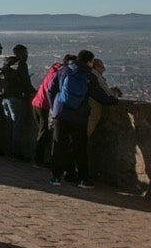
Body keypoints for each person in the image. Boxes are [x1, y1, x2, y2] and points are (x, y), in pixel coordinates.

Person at [49, 50, 118, 188]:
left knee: (58, 145)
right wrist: (113, 100)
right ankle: (83, 179)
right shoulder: (89, 75)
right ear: (89, 61)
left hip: (61, 114)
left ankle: (56, 177)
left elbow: (51, 89)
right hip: (79, 116)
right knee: (80, 148)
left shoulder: (63, 71)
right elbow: (98, 94)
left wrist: (54, 108)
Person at [0, 45, 36, 162]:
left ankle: (9, 150)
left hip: (5, 98)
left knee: (10, 124)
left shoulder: (6, 63)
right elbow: (26, 82)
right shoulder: (20, 64)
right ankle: (15, 152)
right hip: (16, 98)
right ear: (21, 53)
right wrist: (33, 92)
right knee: (17, 125)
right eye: (25, 52)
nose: (27, 55)